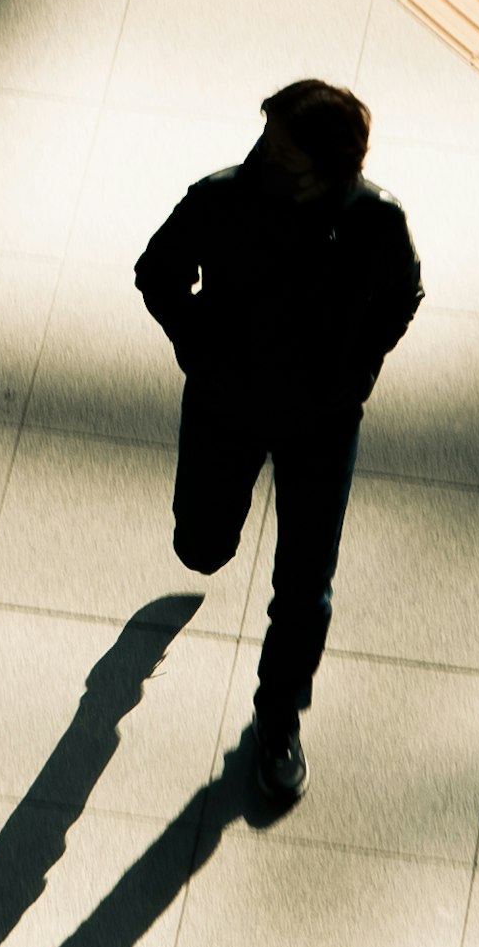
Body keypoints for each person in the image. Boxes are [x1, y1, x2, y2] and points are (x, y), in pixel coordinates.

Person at [135, 73, 422, 815]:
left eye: (287, 150)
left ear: (333, 167)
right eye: (268, 141)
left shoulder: (375, 224)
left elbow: (403, 296)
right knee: (201, 548)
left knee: (305, 585)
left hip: (322, 424)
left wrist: (358, 370)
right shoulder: (222, 200)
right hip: (227, 407)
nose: (268, 156)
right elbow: (157, 272)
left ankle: (279, 719)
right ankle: (199, 563)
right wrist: (200, 348)